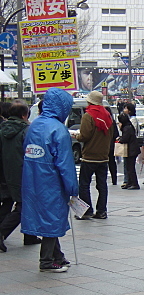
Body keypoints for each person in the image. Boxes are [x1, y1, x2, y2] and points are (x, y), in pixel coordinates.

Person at [21, 88, 79, 273]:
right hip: (51, 182)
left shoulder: (34, 125)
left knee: (44, 217)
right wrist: (72, 188)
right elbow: (65, 163)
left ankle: (58, 256)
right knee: (52, 219)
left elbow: (26, 150)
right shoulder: (58, 129)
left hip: (31, 180)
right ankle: (46, 261)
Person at [0, 100, 42, 252]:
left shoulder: (2, 128)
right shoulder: (27, 131)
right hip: (24, 173)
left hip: (6, 173)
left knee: (19, 204)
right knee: (24, 206)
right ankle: (2, 232)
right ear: (25, 115)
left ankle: (30, 235)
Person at [75, 91, 113, 220]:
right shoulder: (107, 115)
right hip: (103, 156)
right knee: (102, 185)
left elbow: (84, 136)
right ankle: (102, 211)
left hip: (89, 156)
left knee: (84, 184)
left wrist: (76, 136)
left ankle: (87, 211)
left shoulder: (88, 115)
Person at [117, 113, 141, 190]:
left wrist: (120, 139)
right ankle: (130, 183)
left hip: (131, 150)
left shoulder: (126, 128)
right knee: (129, 167)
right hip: (132, 149)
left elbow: (125, 139)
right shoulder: (129, 126)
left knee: (130, 168)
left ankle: (134, 183)